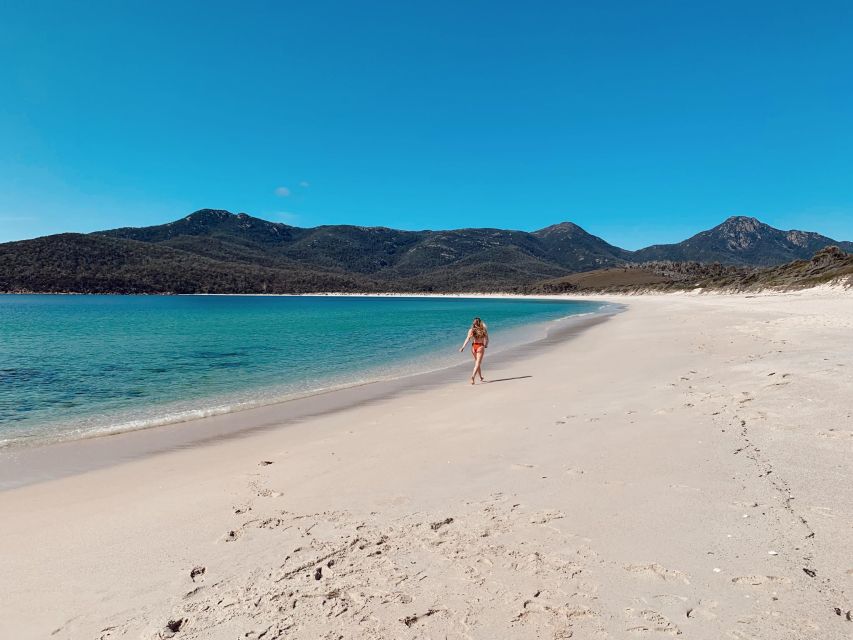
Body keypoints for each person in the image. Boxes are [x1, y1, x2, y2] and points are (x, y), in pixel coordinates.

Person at [459, 317, 489, 385]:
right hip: (480, 346)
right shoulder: (483, 330)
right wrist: (486, 345)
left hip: (473, 347)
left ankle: (481, 377)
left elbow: (467, 339)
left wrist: (463, 347)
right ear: (480, 323)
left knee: (477, 363)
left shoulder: (471, 330)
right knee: (478, 363)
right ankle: (473, 376)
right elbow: (487, 339)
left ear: (474, 323)